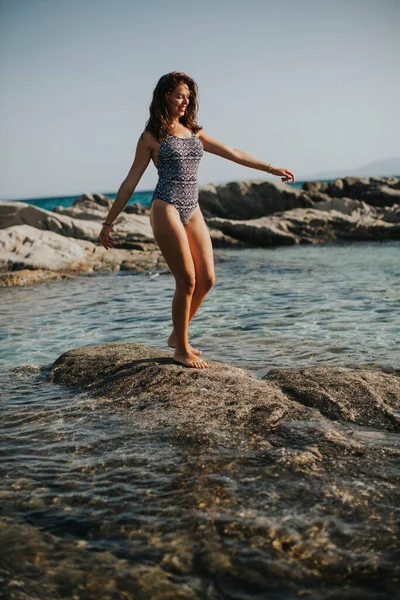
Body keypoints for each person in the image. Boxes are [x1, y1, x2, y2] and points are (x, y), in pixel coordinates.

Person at [99, 71, 295, 370]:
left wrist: (271, 168)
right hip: (165, 206)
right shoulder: (152, 136)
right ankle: (181, 349)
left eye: (188, 97)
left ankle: (177, 337)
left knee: (207, 279)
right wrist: (108, 222)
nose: (185, 101)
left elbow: (233, 152)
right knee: (187, 280)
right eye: (180, 95)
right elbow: (130, 182)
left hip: (193, 208)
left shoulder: (194, 131)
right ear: (166, 95)